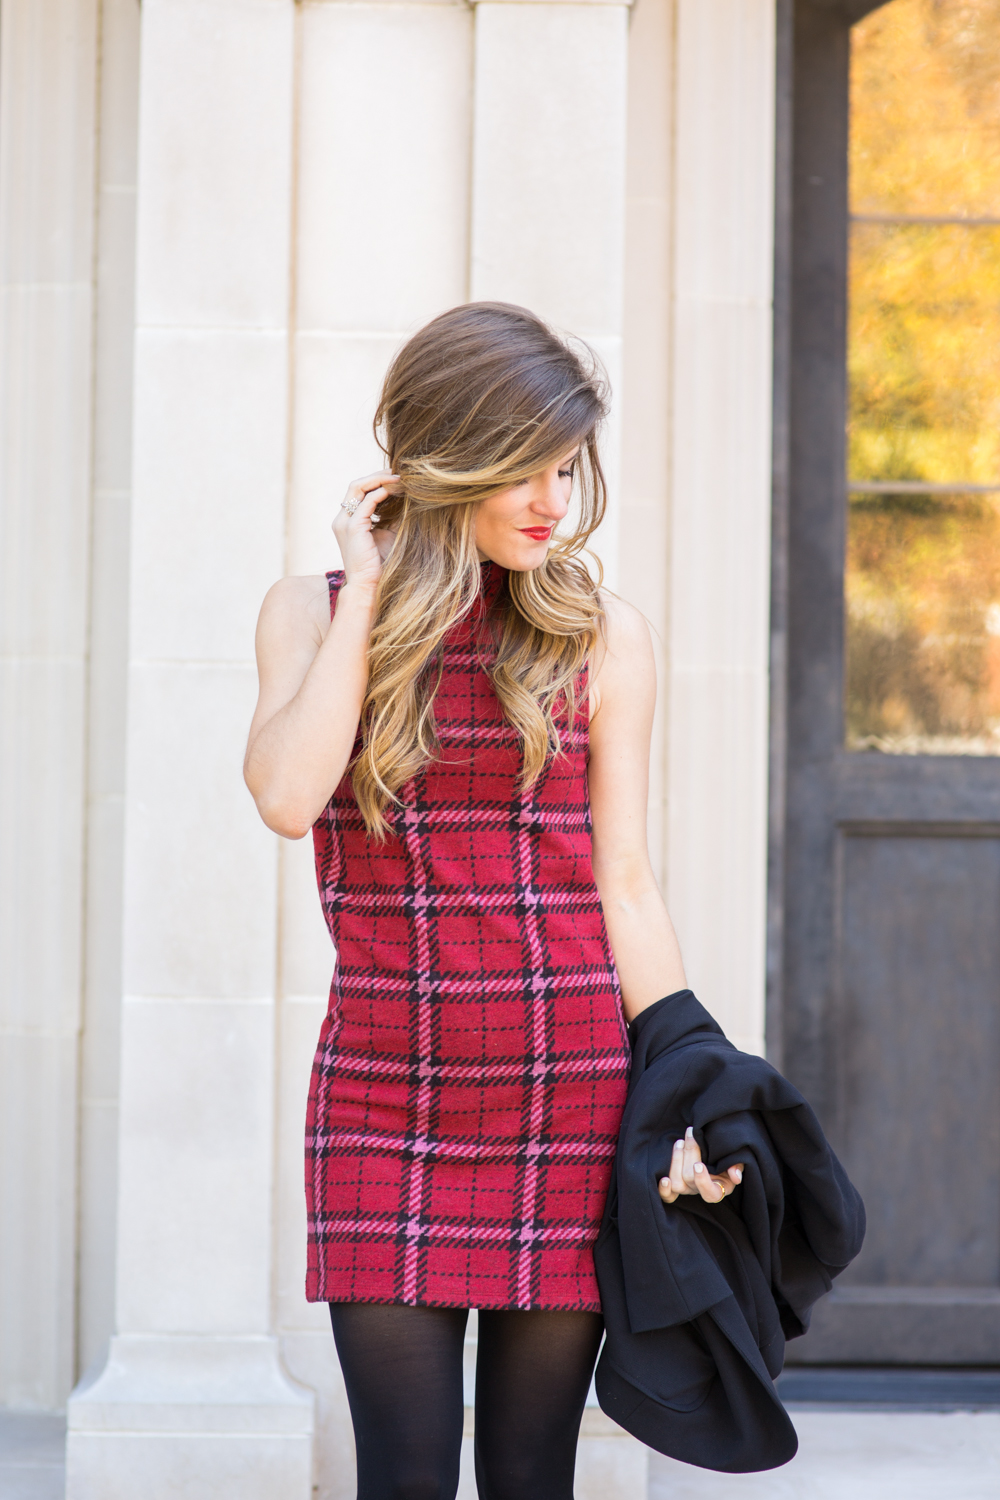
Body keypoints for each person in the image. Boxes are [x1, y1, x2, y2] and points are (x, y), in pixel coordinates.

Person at [244, 302, 743, 1500]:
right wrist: (367, 595)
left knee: (531, 1479)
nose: (551, 500)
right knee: (403, 1479)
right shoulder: (311, 611)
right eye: (523, 467)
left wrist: (691, 1077)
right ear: (447, 451)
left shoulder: (600, 637)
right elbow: (282, 795)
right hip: (382, 1093)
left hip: (564, 1098)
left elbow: (622, 877)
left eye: (565, 470)